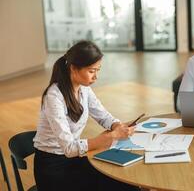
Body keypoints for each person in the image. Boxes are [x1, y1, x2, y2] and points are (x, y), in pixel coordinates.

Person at [33, 41, 140, 191]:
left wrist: (117, 125)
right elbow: (69, 148)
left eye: (98, 70)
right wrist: (110, 137)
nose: (96, 77)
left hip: (73, 159)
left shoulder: (84, 89)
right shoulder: (54, 97)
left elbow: (103, 116)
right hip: (53, 168)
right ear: (74, 68)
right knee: (117, 185)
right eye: (91, 71)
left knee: (127, 183)